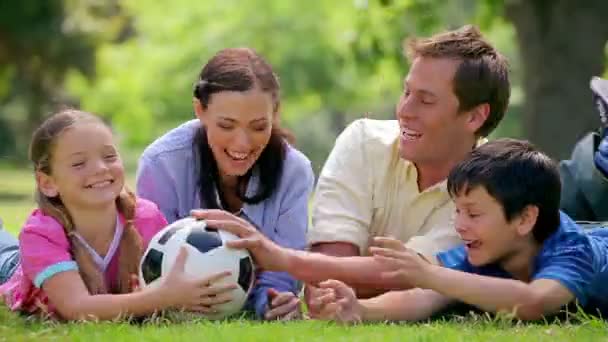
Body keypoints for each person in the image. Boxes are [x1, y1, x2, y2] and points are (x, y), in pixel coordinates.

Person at [201, 139, 608, 322]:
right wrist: (361, 310)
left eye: (473, 213)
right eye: (458, 211)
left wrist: (430, 273)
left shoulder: (571, 249)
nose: (459, 224)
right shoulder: (479, 252)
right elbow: (421, 296)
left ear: (524, 220)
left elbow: (536, 302)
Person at [0, 110, 236, 321]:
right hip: (13, 268)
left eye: (109, 157)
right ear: (48, 183)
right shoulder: (41, 233)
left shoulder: (145, 218)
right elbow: (76, 307)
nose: (101, 168)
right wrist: (162, 298)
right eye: (79, 163)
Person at [136, 48, 314, 320]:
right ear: (200, 110)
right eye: (227, 126)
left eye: (258, 127)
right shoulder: (162, 164)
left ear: (274, 114)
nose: (242, 144)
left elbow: (285, 263)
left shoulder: (294, 171)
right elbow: (156, 265)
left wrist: (272, 303)